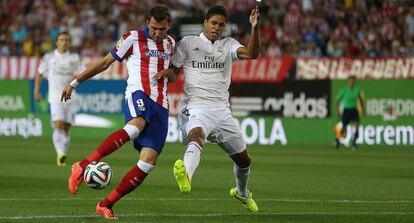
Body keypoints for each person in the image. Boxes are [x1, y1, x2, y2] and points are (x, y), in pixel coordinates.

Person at [60, 5, 175, 219]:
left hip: (161, 105)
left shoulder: (170, 44)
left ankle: (106, 204)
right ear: (147, 23)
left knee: (148, 161)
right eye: (154, 28)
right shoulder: (131, 38)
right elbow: (105, 62)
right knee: (137, 124)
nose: (158, 33)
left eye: (163, 29)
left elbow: (175, 73)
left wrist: (170, 72)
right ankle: (82, 165)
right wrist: (75, 82)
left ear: (168, 26)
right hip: (138, 94)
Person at [156, 5, 259, 212]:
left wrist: (254, 28)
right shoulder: (188, 43)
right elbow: (175, 72)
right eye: (213, 23)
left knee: (244, 160)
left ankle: (242, 192)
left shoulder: (228, 44)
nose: (217, 28)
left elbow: (251, 54)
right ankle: (186, 176)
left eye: (221, 25)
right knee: (197, 136)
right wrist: (167, 73)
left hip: (222, 111)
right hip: (196, 107)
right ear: (205, 23)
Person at [34, 31, 84, 166]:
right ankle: (60, 153)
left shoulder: (74, 58)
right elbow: (39, 73)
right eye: (62, 39)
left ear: (70, 43)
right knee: (58, 125)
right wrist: (36, 90)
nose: (64, 42)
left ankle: (63, 151)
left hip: (70, 97)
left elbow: (82, 74)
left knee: (66, 128)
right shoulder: (49, 57)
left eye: (67, 40)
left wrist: (75, 79)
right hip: (55, 97)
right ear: (57, 42)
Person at [335, 75, 365, 149]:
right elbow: (337, 100)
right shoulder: (344, 90)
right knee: (344, 128)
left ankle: (354, 143)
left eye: (353, 80)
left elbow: (360, 99)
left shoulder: (357, 90)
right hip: (346, 110)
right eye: (350, 80)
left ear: (355, 81)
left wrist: (363, 108)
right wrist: (338, 110)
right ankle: (338, 140)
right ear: (348, 81)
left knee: (357, 126)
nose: (351, 82)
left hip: (354, 110)